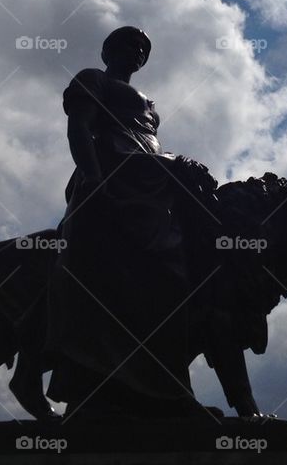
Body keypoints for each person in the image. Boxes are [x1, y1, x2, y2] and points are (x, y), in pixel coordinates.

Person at [43, 26, 211, 418]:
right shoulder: (93, 79)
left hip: (147, 188)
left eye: (143, 48)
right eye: (128, 44)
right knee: (100, 279)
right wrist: (94, 176)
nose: (136, 51)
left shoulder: (150, 103)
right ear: (107, 50)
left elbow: (145, 143)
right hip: (109, 186)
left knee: (172, 278)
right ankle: (93, 384)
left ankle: (160, 389)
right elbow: (79, 128)